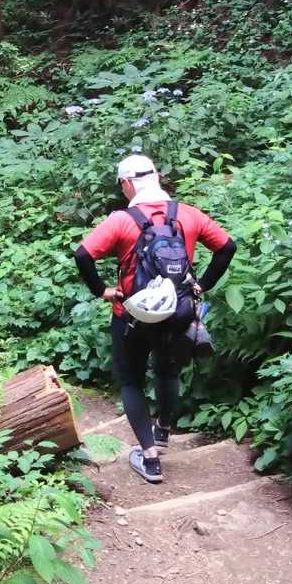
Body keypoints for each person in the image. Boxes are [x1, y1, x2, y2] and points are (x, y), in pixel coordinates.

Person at [74, 155, 236, 485]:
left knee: (131, 381)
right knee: (167, 371)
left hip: (132, 315)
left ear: (127, 183)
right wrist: (201, 285)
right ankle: (162, 430)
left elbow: (83, 254)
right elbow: (227, 247)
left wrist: (102, 291)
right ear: (157, 177)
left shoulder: (122, 221)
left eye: (121, 185)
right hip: (177, 312)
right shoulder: (187, 214)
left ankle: (150, 459)